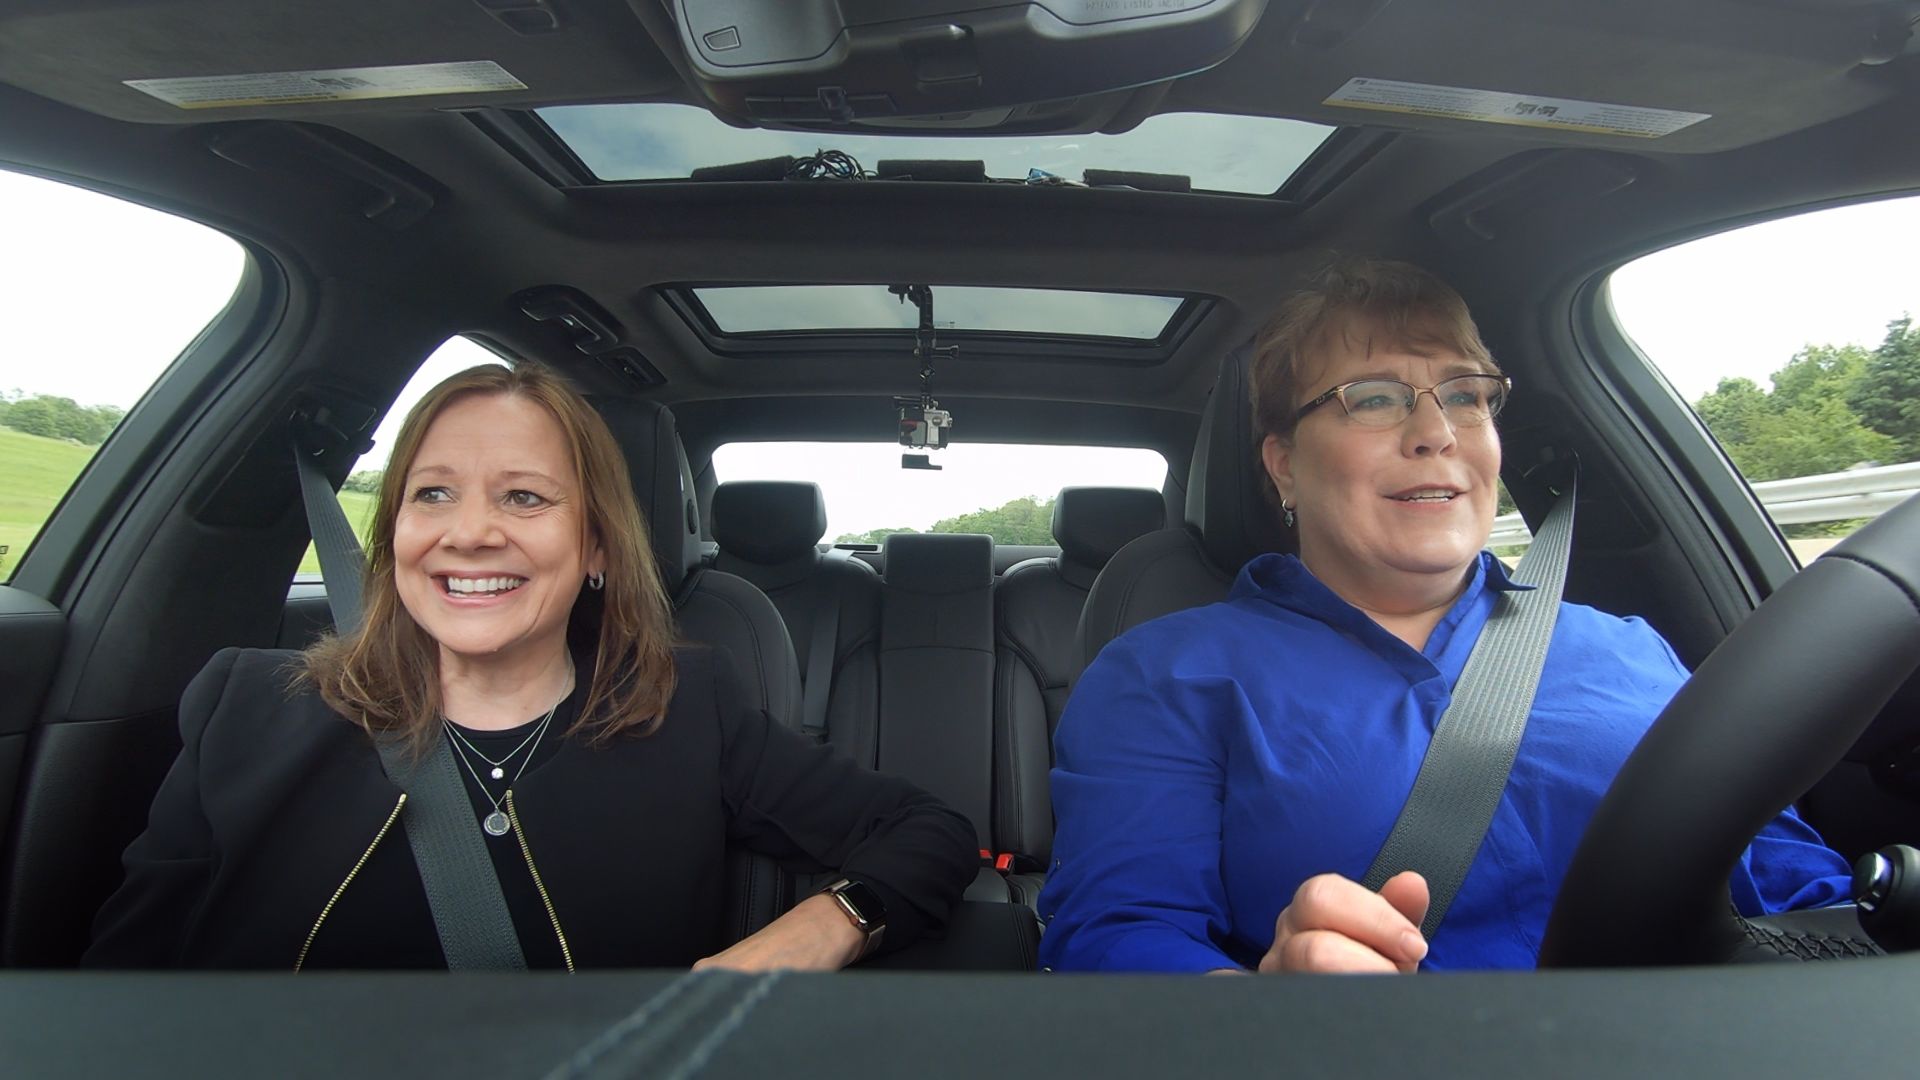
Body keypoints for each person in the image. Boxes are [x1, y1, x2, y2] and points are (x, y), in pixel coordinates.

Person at [1036, 257, 1852, 974]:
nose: (1436, 432)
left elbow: (1798, 887)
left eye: (1465, 395)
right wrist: (1263, 1013)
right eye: (1375, 398)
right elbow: (1115, 934)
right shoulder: (1167, 672)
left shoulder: (1630, 651)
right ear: (1284, 465)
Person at [84, 363, 976, 971]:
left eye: (524, 497)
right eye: (433, 493)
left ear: (594, 545)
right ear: (394, 531)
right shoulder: (245, 707)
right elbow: (120, 992)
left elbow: (927, 831)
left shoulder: (687, 708)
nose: (469, 531)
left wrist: (827, 925)